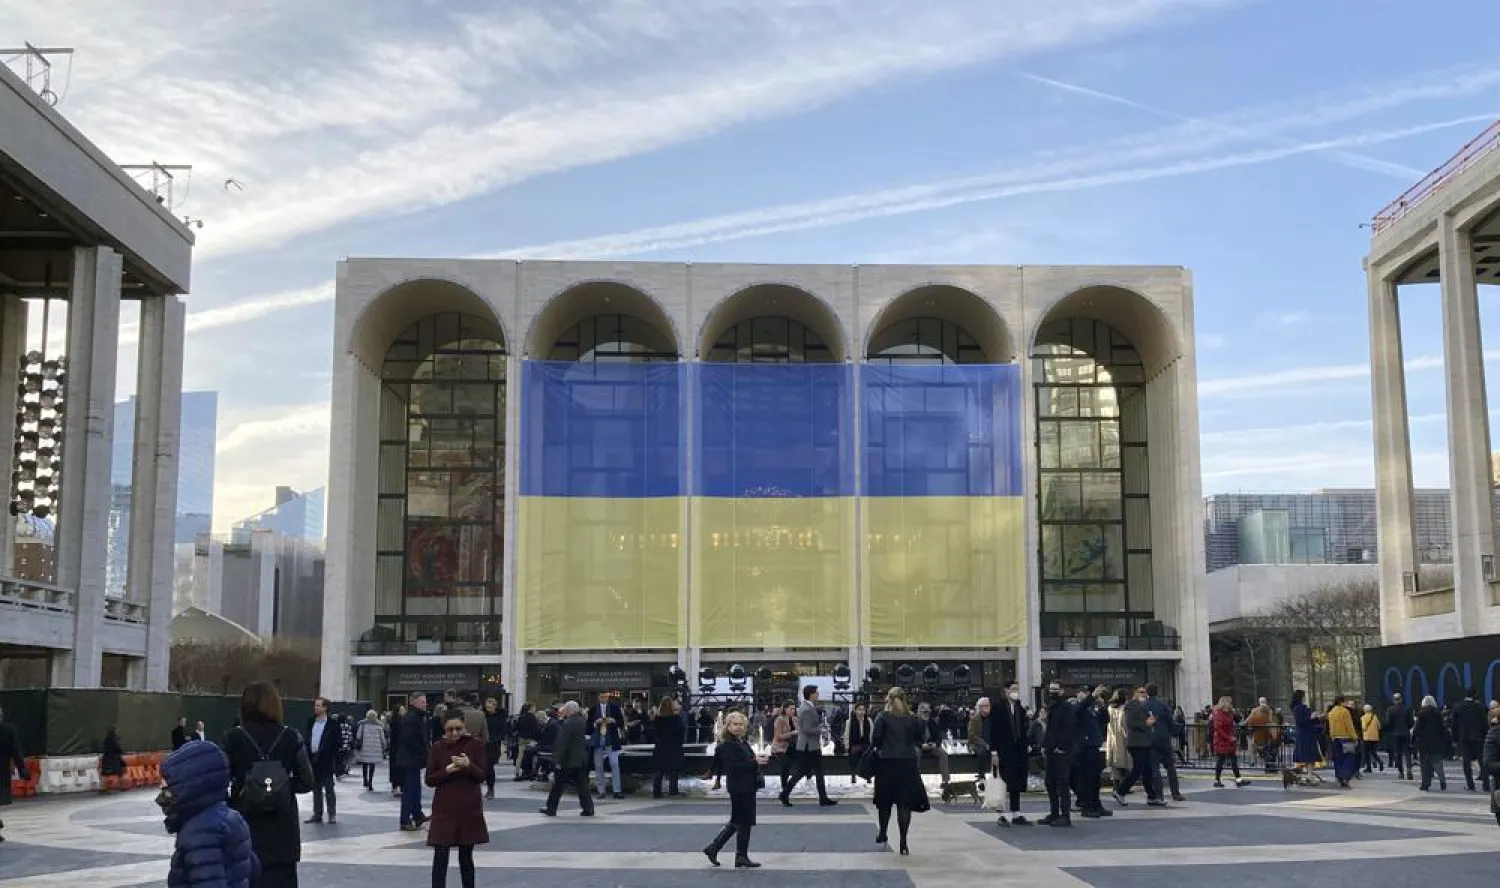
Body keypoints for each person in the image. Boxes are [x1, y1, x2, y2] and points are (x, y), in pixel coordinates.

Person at [223, 680, 314, 888]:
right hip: (283, 831)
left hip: (245, 824)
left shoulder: (233, 737)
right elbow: (307, 781)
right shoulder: (291, 736)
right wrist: (281, 786)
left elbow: (219, 781)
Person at [160, 740, 258, 888]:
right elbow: (253, 868)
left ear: (189, 786)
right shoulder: (230, 817)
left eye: (168, 785)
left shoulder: (199, 832)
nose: (162, 789)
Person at [427, 712, 489, 888]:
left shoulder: (475, 745)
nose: (454, 733)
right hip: (444, 808)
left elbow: (482, 775)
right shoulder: (437, 747)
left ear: (464, 727)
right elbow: (429, 780)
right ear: (444, 729)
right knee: (440, 855)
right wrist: (447, 770)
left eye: (458, 729)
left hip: (468, 808)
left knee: (466, 856)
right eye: (449, 729)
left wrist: (469, 766)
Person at [702, 711, 765, 868]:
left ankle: (718, 849)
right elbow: (734, 767)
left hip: (746, 785)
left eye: (741, 724)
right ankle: (737, 855)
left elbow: (748, 761)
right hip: (739, 786)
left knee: (740, 821)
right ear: (728, 726)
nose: (738, 727)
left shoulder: (741, 742)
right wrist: (755, 762)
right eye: (735, 724)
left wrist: (758, 761)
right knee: (742, 821)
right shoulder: (728, 745)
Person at [870, 687, 928, 854]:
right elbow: (919, 738)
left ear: (888, 699)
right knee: (904, 804)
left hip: (887, 763)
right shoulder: (913, 719)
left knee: (885, 802)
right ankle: (903, 841)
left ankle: (883, 832)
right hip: (907, 764)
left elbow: (876, 739)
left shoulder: (883, 717)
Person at [779, 685, 836, 806]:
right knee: (803, 772)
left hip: (810, 745)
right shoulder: (806, 709)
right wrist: (820, 729)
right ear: (811, 694)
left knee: (814, 771)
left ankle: (823, 797)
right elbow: (806, 729)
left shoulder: (808, 707)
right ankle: (785, 794)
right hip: (807, 746)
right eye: (816, 692)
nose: (818, 694)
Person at [987, 679, 1032, 826]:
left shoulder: (1020, 708)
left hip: (1018, 750)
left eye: (1017, 689)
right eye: (1012, 689)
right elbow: (992, 731)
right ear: (1005, 690)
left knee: (1016, 781)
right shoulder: (998, 708)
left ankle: (1016, 812)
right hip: (1003, 750)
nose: (1015, 692)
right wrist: (994, 752)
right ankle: (1001, 814)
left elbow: (1023, 729)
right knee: (1002, 781)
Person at [540, 701, 594, 817]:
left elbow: (563, 743)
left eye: (565, 709)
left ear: (569, 710)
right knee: (582, 786)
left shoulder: (567, 724)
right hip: (580, 759)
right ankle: (588, 808)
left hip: (568, 760)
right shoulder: (581, 721)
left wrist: (557, 760)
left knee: (557, 786)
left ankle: (551, 808)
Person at [1040, 680, 1076, 827]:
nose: (1052, 692)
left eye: (1056, 689)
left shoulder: (1067, 707)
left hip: (1062, 752)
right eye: (1051, 689)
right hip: (1051, 750)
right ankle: (1054, 812)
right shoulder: (1051, 707)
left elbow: (1069, 729)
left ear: (1062, 690)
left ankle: (1065, 815)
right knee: (1050, 782)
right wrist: (1045, 745)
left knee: (1062, 783)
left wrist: (1061, 747)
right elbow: (1050, 730)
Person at [395, 693, 432, 831]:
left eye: (425, 701)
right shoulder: (412, 718)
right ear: (414, 702)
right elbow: (410, 739)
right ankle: (405, 819)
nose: (425, 704)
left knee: (415, 788)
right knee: (410, 790)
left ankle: (417, 815)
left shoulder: (417, 716)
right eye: (422, 701)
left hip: (412, 759)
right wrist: (424, 751)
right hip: (410, 759)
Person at [304, 698, 339, 825]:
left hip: (326, 760)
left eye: (318, 705)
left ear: (325, 708)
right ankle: (317, 813)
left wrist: (331, 755)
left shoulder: (332, 724)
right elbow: (307, 738)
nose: (315, 708)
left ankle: (332, 814)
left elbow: (337, 742)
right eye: (315, 705)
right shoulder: (310, 722)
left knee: (329, 788)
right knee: (316, 788)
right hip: (313, 759)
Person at [587, 693, 626, 800]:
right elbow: (588, 727)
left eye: (605, 696)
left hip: (611, 740)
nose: (603, 698)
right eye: (601, 696)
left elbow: (621, 723)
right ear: (598, 697)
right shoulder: (593, 710)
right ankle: (601, 790)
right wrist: (595, 722)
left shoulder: (615, 708)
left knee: (615, 764)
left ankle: (617, 790)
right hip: (598, 740)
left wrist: (613, 721)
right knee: (598, 766)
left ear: (608, 698)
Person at [1452, 688, 1490, 793]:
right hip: (1479, 738)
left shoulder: (1458, 707)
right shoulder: (1480, 707)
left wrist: (1455, 739)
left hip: (1464, 738)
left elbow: (1454, 725)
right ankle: (1486, 785)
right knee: (1482, 762)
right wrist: (1486, 735)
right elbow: (1484, 724)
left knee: (1466, 763)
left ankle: (1470, 785)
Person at [0, 706, 27, 843]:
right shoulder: (8, 731)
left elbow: (15, 751)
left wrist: (22, 768)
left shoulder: (7, 731)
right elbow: (15, 751)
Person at [1209, 697, 1249, 788]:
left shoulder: (1229, 713)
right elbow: (1218, 729)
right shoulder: (1219, 714)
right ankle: (1217, 780)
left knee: (1233, 760)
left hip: (1229, 739)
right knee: (1221, 760)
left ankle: (1238, 780)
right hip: (1222, 740)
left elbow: (1232, 724)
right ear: (1224, 703)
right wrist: (1228, 738)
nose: (1231, 704)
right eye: (1229, 703)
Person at [651, 696, 686, 798]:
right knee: (673, 770)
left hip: (660, 747)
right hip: (673, 747)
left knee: (659, 771)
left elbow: (654, 732)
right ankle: (673, 791)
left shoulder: (658, 719)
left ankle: (656, 792)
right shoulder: (676, 719)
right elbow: (681, 732)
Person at [1414, 694, 1449, 791]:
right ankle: (1443, 782)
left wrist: (1416, 737)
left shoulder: (1421, 713)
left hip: (1424, 743)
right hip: (1437, 742)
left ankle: (1425, 783)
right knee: (1438, 764)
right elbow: (1442, 729)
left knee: (1425, 765)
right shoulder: (1438, 713)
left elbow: (1417, 729)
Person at [1325, 695, 1359, 788]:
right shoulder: (1345, 711)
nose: (1346, 703)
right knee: (1349, 758)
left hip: (1335, 738)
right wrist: (1354, 737)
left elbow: (1330, 726)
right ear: (1341, 702)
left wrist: (1332, 736)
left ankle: (1339, 776)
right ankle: (1345, 777)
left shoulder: (1331, 712)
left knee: (1338, 759)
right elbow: (1349, 726)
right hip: (1346, 738)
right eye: (1345, 702)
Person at [353, 710, 387, 792]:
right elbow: (382, 739)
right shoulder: (379, 726)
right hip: (375, 749)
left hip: (365, 748)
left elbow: (358, 736)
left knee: (365, 764)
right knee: (372, 765)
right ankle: (371, 783)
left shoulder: (363, 725)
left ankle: (365, 780)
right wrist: (384, 747)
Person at [845, 702, 874, 784]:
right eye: (859, 709)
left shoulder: (869, 721)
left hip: (865, 743)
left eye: (863, 710)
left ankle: (868, 776)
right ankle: (853, 775)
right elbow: (847, 734)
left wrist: (872, 746)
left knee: (868, 755)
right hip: (855, 744)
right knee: (854, 754)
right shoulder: (850, 721)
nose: (861, 712)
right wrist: (847, 746)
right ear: (855, 710)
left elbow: (871, 735)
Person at [101, 726, 126, 792]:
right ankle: (122, 786)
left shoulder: (106, 739)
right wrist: (122, 752)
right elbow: (117, 748)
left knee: (105, 774)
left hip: (106, 758)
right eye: (117, 731)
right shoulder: (114, 739)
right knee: (120, 773)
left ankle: (104, 787)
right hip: (114, 759)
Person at [1360, 704, 1384, 773]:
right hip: (1375, 737)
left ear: (1364, 710)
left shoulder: (1363, 717)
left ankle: (1369, 768)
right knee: (1373, 752)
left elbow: (1363, 727)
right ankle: (1380, 761)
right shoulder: (1375, 717)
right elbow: (1379, 727)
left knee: (1366, 753)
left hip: (1366, 737)